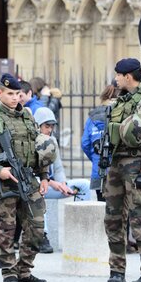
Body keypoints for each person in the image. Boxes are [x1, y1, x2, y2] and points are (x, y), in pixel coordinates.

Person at [0, 73, 52, 282]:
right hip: (3, 182)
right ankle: (9, 273)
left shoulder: (27, 115)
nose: (15, 98)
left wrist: (45, 176)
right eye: (10, 94)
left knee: (37, 227)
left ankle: (24, 270)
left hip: (27, 178)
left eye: (17, 94)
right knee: (6, 230)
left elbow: (39, 148)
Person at [102, 58, 141, 282]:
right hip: (116, 165)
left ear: (128, 76)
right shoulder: (120, 101)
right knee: (113, 218)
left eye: (118, 75)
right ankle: (117, 270)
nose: (115, 78)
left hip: (137, 165)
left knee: (140, 219)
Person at [33, 107, 91, 253]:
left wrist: (63, 184)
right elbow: (30, 173)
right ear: (37, 125)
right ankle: (42, 236)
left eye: (52, 126)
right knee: (38, 189)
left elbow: (58, 168)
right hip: (35, 185)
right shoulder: (30, 142)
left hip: (52, 185)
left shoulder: (52, 141)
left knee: (84, 185)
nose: (50, 130)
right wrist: (53, 183)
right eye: (47, 126)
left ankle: (81, 232)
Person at [81, 84, 119, 201]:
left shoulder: (92, 117)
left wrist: (95, 156)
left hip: (99, 169)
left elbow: (85, 143)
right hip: (119, 170)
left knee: (102, 207)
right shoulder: (121, 114)